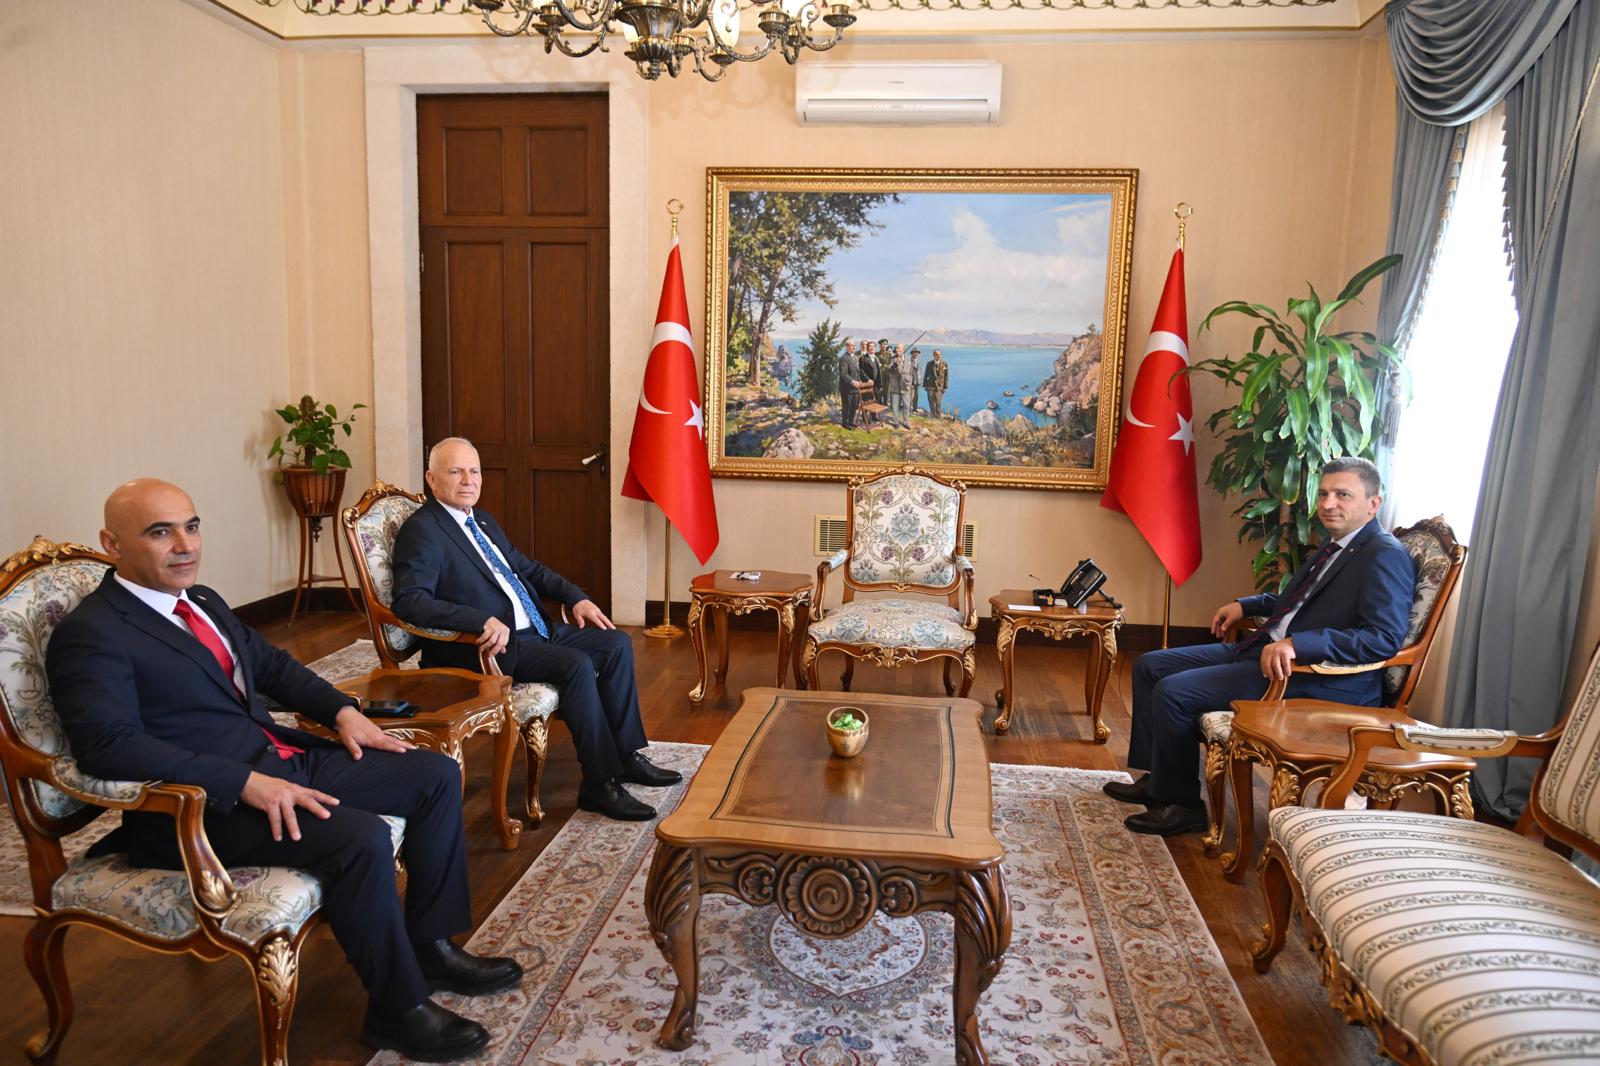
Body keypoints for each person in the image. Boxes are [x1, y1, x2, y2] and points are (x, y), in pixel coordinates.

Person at [45, 479, 517, 1062]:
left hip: (277, 759)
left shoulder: (203, 600)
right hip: (200, 806)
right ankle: (397, 1009)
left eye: (191, 527)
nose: (185, 545)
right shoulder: (92, 633)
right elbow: (106, 746)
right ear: (112, 544)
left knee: (434, 776)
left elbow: (271, 667)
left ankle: (431, 947)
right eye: (160, 532)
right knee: (360, 838)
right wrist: (243, 782)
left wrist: (342, 711)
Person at [1105, 457, 1415, 836]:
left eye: (1342, 495)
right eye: (1323, 494)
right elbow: (1299, 602)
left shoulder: (1384, 555)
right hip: (1264, 648)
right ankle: (1159, 780)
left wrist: (1299, 645)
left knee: (1174, 692)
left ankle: (1182, 805)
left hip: (1314, 678)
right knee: (1150, 666)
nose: (1328, 503)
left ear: (1373, 503)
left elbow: (1382, 638)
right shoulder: (1338, 545)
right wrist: (1246, 605)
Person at [391, 438, 681, 822]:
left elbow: (527, 569)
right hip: (487, 647)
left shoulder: (482, 520)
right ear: (431, 479)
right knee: (576, 664)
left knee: (615, 644)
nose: (468, 480)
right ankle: (598, 784)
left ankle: (625, 756)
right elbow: (410, 601)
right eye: (455, 471)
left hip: (536, 628)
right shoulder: (424, 530)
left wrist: (575, 597)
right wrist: (478, 620)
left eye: (474, 471)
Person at [838, 340, 865, 428]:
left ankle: (851, 422)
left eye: (854, 345)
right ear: (847, 347)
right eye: (851, 345)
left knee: (854, 406)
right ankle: (845, 423)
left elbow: (858, 371)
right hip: (847, 387)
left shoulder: (855, 357)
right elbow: (843, 374)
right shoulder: (844, 358)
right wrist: (853, 382)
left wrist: (859, 380)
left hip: (855, 387)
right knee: (847, 406)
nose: (853, 347)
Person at [923, 349, 949, 418]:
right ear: (934, 355)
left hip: (940, 387)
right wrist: (925, 385)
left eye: (939, 354)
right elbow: (926, 375)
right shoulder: (929, 364)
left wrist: (945, 387)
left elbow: (946, 376)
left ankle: (938, 415)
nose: (938, 356)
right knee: (931, 401)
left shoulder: (944, 364)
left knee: (938, 402)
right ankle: (932, 414)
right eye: (937, 354)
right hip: (930, 385)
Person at [908, 347, 923, 414]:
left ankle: (914, 409)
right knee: (910, 396)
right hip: (911, 382)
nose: (916, 354)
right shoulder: (909, 361)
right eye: (915, 353)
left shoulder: (919, 361)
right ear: (912, 353)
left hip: (917, 382)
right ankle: (908, 410)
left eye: (917, 353)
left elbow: (919, 371)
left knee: (916, 396)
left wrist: (920, 380)